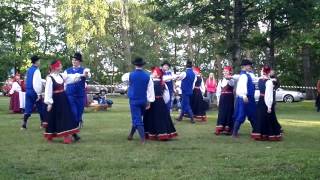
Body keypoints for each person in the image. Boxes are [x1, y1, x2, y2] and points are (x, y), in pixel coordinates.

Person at [44, 60, 88, 144]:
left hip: (63, 99)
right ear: (56, 67)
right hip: (55, 100)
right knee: (54, 117)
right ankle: (51, 135)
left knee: (66, 116)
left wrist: (82, 75)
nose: (61, 66)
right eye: (60, 65)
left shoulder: (61, 75)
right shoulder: (50, 78)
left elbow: (71, 77)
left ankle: (67, 136)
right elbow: (48, 91)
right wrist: (49, 103)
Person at [122, 57, 155, 144]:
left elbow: (124, 81)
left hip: (134, 100)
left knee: (137, 119)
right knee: (137, 118)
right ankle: (131, 135)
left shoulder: (129, 75)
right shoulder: (148, 76)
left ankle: (142, 138)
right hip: (143, 100)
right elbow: (150, 90)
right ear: (142, 65)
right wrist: (149, 102)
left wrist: (130, 84)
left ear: (135, 65)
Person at [143, 67, 178, 140]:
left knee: (159, 118)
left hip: (158, 102)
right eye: (153, 72)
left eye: (155, 72)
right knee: (151, 118)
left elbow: (166, 94)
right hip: (155, 102)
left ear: (158, 74)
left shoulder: (162, 82)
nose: (153, 73)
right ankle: (152, 134)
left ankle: (162, 134)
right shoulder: (151, 81)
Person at [251, 65, 282, 141]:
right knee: (264, 117)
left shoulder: (265, 81)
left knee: (264, 117)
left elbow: (268, 95)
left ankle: (264, 134)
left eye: (262, 70)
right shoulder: (266, 81)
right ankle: (264, 134)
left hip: (263, 100)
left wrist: (269, 106)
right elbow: (269, 95)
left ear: (263, 72)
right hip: (263, 100)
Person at [65, 52, 91, 128]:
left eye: (75, 60)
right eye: (73, 60)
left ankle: (79, 121)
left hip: (80, 95)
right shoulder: (67, 71)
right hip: (70, 94)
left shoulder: (83, 70)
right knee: (73, 111)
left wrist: (86, 74)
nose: (73, 61)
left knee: (79, 111)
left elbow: (88, 75)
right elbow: (64, 82)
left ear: (79, 61)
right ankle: (74, 127)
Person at [232, 59, 256, 138]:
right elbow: (241, 87)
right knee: (241, 115)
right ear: (245, 66)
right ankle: (234, 132)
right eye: (249, 66)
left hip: (250, 97)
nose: (250, 67)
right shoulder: (243, 76)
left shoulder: (248, 74)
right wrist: (244, 95)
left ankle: (256, 130)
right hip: (245, 97)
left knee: (252, 114)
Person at [21, 55, 45, 129]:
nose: (40, 62)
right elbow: (36, 83)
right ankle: (43, 123)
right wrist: (38, 94)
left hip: (28, 91)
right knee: (41, 107)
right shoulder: (37, 70)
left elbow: (28, 81)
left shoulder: (29, 70)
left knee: (28, 108)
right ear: (36, 61)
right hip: (34, 91)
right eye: (39, 61)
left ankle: (24, 125)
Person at [215, 66, 235, 135]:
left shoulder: (231, 80)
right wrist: (218, 100)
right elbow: (218, 91)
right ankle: (220, 128)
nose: (225, 72)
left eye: (227, 71)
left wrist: (229, 78)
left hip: (229, 98)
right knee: (221, 113)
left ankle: (228, 129)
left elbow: (232, 84)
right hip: (222, 98)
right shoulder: (221, 80)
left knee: (229, 113)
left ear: (229, 72)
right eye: (224, 71)